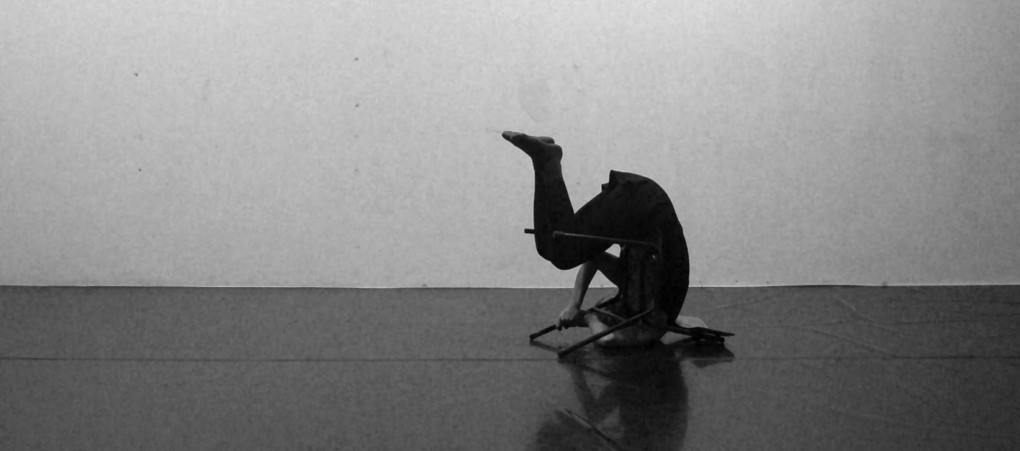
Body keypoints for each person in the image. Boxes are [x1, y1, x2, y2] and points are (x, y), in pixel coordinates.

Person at [502, 131, 690, 347]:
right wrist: (589, 317)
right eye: (608, 314)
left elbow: (595, 258)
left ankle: (541, 161)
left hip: (637, 197)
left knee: (547, 247)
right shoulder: (654, 321)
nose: (605, 309)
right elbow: (609, 340)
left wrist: (575, 306)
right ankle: (548, 162)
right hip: (646, 206)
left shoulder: (633, 284)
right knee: (564, 254)